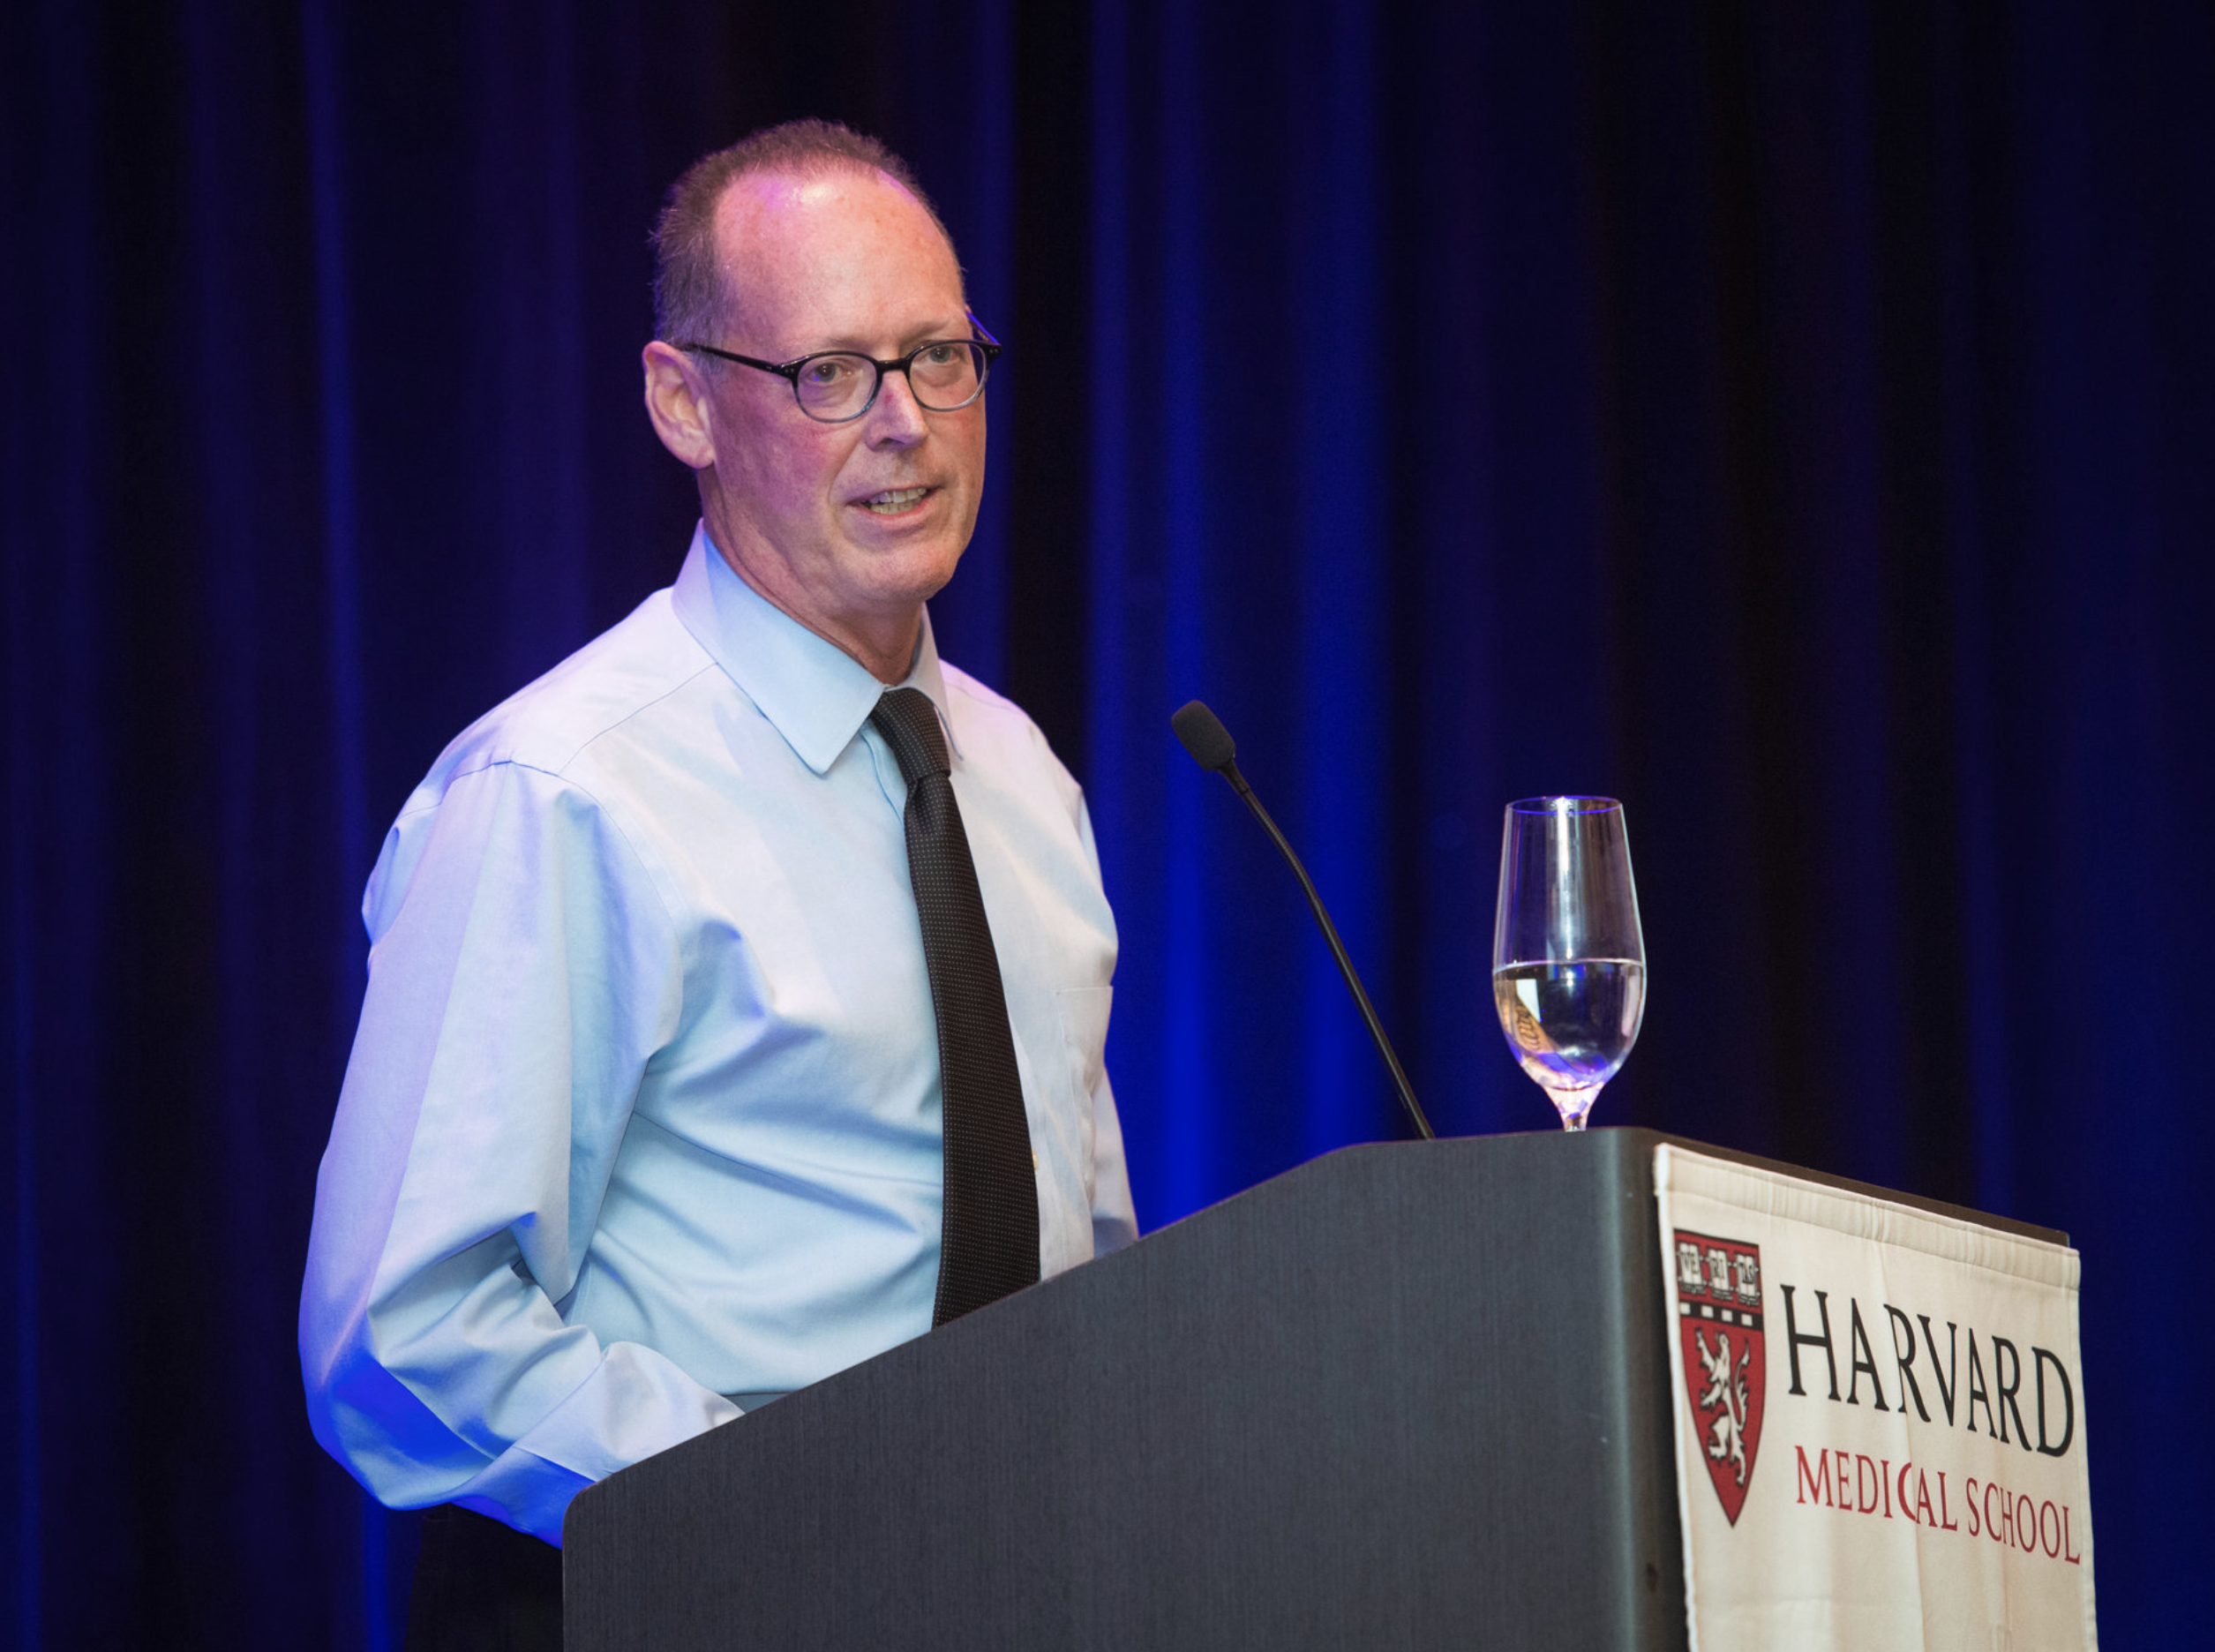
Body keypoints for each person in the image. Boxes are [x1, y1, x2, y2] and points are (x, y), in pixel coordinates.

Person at [300, 119, 1136, 1644]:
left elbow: (1089, 1266)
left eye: (940, 357)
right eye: (830, 374)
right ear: (682, 401)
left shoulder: (1019, 781)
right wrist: (796, 1509)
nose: (907, 425)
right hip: (670, 1600)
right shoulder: (563, 792)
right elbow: (404, 1332)